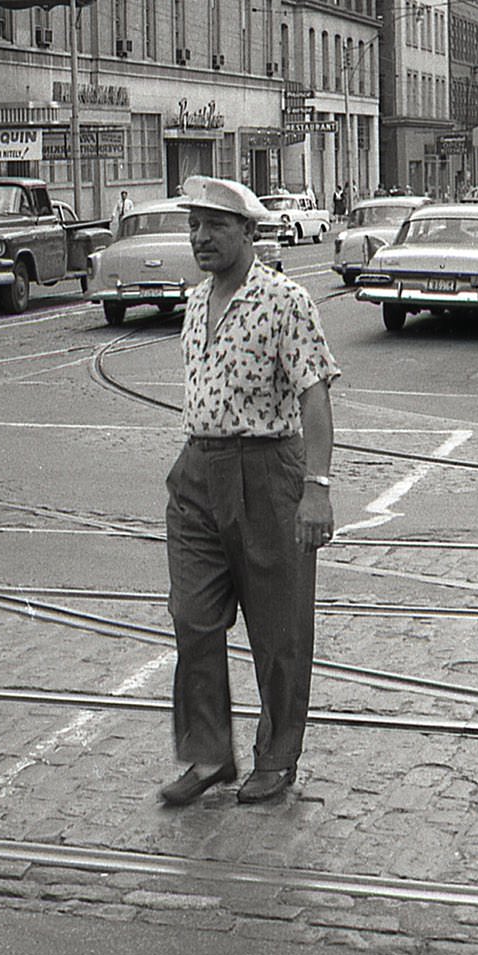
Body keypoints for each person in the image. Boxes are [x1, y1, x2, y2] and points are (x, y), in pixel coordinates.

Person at [158, 174, 340, 808]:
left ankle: (276, 757)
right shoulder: (195, 298)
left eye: (215, 225)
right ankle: (208, 754)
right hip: (197, 471)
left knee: (279, 626)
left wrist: (316, 487)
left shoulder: (286, 300)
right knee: (191, 616)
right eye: (194, 225)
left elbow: (315, 394)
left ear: (248, 231)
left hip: (268, 472)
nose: (201, 237)